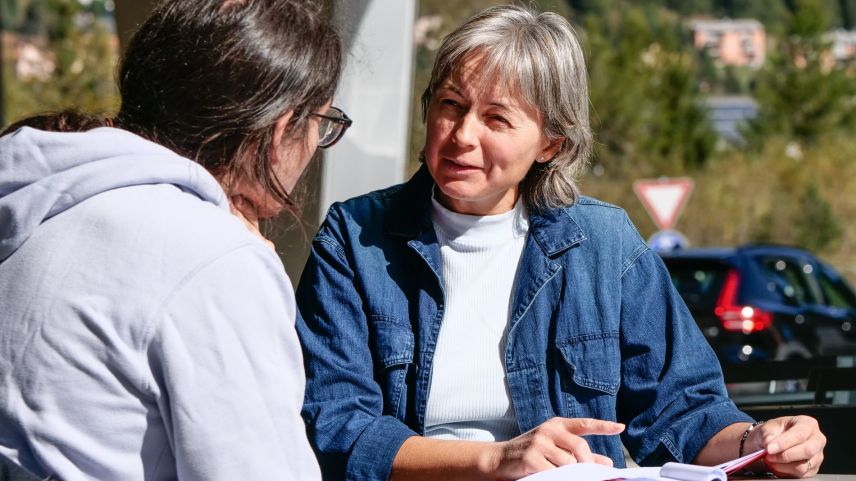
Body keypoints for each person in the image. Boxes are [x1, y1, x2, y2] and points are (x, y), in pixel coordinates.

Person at [295, 5, 825, 481]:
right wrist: (495, 460)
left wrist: (762, 443)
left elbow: (682, 413)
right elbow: (338, 428)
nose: (461, 135)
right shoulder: (354, 239)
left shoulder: (604, 245)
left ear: (552, 143)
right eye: (451, 105)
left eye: (496, 118)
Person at [0, 0, 349, 480]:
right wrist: (237, 264)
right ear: (282, 129)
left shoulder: (39, 194)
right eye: (322, 124)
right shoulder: (212, 259)